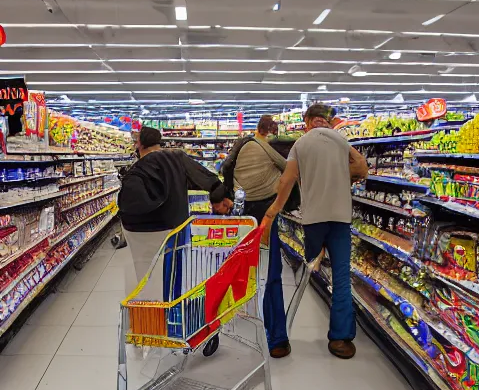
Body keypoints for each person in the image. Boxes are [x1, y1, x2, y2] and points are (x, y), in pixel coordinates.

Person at [263, 104, 368, 359]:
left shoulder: (301, 144)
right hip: (340, 219)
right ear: (328, 121)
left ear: (308, 120)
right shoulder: (341, 140)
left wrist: (273, 211)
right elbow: (362, 168)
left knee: (307, 271)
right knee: (342, 277)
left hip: (314, 220)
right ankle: (341, 340)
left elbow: (287, 180)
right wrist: (342, 176)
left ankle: (283, 336)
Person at [118, 126, 233, 282]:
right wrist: (219, 197)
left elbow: (125, 204)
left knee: (146, 273)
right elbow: (204, 177)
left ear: (140, 144)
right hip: (173, 227)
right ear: (159, 142)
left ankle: (148, 297)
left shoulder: (135, 170)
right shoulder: (176, 157)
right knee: (174, 270)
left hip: (139, 232)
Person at [222, 115, 290, 358]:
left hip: (242, 215)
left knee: (240, 265)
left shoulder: (241, 145)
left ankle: (233, 316)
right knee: (271, 272)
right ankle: (277, 338)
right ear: (270, 131)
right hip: (266, 216)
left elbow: (225, 170)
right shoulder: (267, 148)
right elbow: (289, 169)